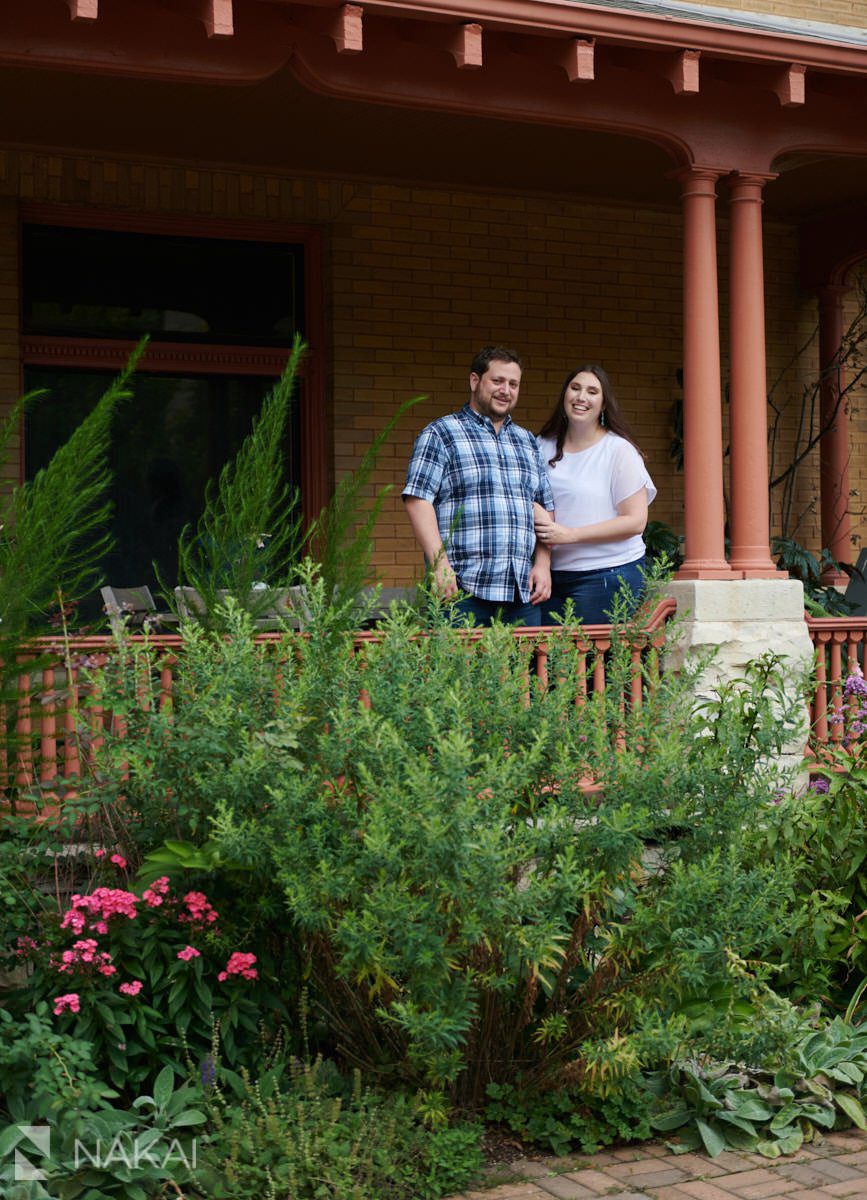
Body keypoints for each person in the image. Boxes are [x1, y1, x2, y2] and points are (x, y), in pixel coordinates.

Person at [403, 346, 554, 626]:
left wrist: (543, 565)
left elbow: (545, 508)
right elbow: (417, 499)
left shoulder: (527, 442)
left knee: (521, 671)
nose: (505, 390)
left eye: (513, 384)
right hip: (462, 592)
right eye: (497, 381)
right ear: (475, 381)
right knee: (459, 671)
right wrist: (438, 564)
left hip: (521, 593)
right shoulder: (441, 433)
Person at [534, 364, 656, 625]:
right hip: (553, 577)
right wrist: (542, 562)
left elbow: (636, 521)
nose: (581, 397)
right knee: (549, 660)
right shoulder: (541, 446)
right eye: (575, 388)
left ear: (603, 405)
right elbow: (534, 504)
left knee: (586, 662)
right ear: (564, 395)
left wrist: (571, 535)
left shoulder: (618, 450)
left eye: (592, 391)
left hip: (608, 573)